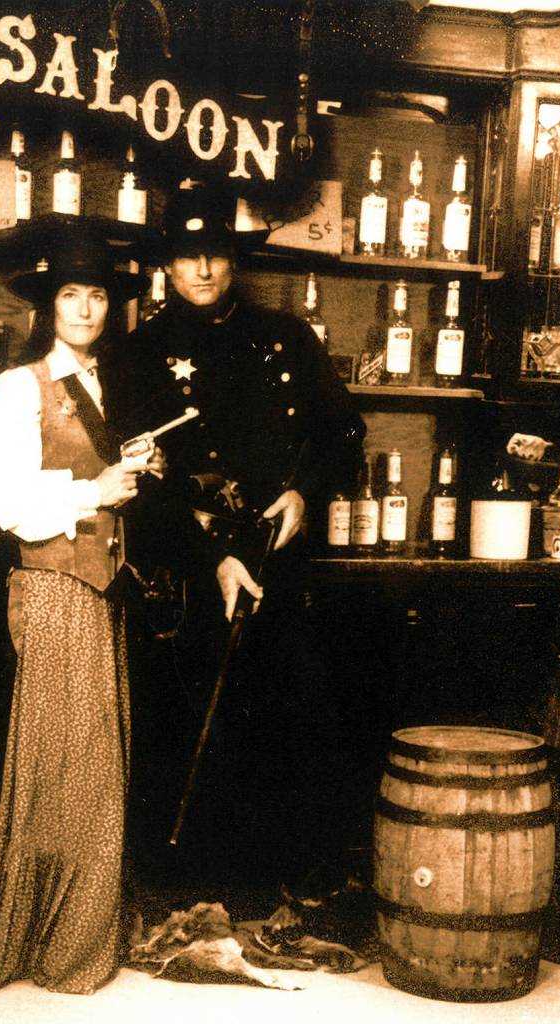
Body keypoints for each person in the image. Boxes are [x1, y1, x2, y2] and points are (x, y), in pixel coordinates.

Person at [118, 185, 365, 892]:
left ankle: (277, 886)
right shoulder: (138, 353)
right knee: (189, 723)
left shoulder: (285, 337)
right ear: (165, 265)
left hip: (274, 558)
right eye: (186, 256)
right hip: (186, 572)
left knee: (284, 717)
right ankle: (190, 889)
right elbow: (136, 479)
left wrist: (302, 493)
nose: (202, 269)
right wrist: (209, 553)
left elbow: (342, 433)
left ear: (233, 262)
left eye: (215, 255)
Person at [0, 225, 154, 994]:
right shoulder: (19, 386)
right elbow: (0, 498)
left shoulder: (108, 383)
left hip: (101, 593)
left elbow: (109, 480)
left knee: (92, 772)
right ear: (49, 306)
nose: (85, 307)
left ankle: (75, 942)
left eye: (98, 294)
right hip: (51, 591)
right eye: (71, 294)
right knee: (62, 773)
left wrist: (137, 472)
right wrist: (93, 492)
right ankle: (50, 949)